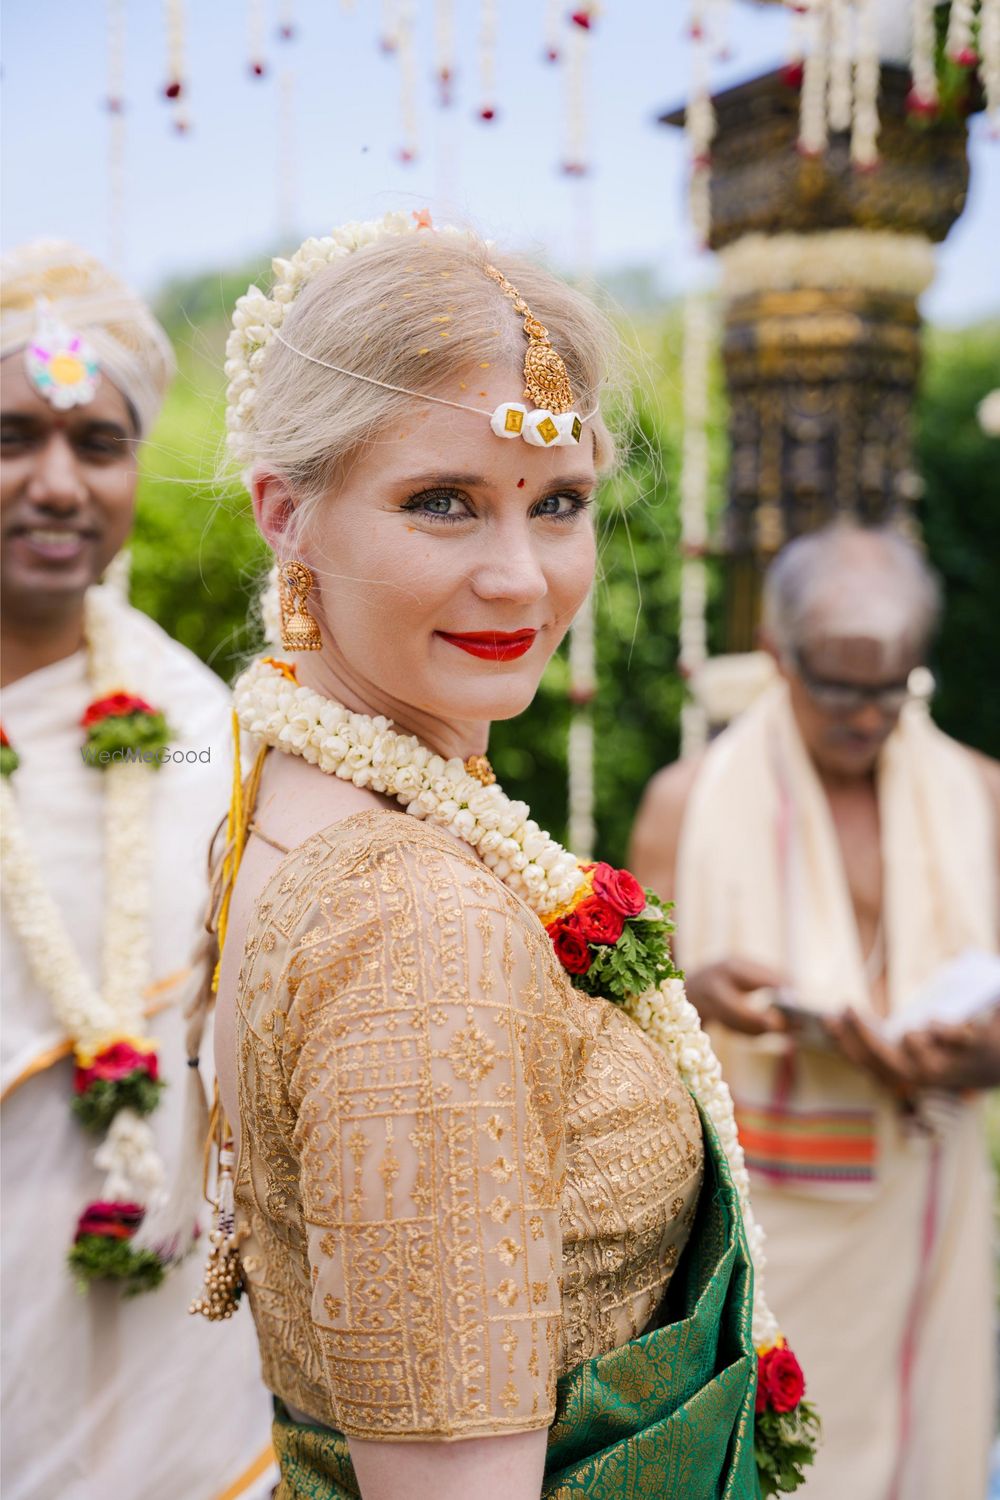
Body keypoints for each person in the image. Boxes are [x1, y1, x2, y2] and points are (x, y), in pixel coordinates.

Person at [199, 213, 775, 1500]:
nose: (520, 578)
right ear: (288, 516)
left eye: (557, 503)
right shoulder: (414, 919)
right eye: (442, 503)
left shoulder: (300, 791)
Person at [629, 522, 1000, 1500]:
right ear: (781, 659)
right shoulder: (688, 803)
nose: (867, 715)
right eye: (839, 686)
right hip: (765, 1219)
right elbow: (621, 1029)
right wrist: (695, 996)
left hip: (926, 1193)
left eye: (890, 688)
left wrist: (975, 1052)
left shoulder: (978, 795)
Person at [0, 241, 274, 1500]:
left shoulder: (194, 720)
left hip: (155, 1287)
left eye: (98, 445)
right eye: (12, 436)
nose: (56, 483)